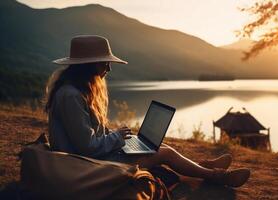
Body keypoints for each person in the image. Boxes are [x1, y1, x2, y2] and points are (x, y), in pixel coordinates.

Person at [45, 35, 250, 188]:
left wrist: (114, 135)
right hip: (86, 166)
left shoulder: (76, 91)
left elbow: (89, 135)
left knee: (156, 147)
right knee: (165, 152)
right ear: (88, 65)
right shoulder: (71, 95)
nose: (108, 68)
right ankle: (217, 176)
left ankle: (204, 168)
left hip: (89, 159)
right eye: (104, 62)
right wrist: (116, 137)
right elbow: (86, 147)